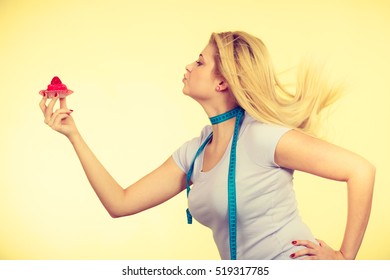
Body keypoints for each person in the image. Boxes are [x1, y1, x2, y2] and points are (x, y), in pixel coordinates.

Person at [39, 31, 375, 260]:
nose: (188, 65)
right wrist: (74, 135)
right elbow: (120, 203)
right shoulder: (195, 152)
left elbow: (361, 170)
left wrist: (345, 259)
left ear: (222, 80)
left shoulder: (262, 136)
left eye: (199, 61)